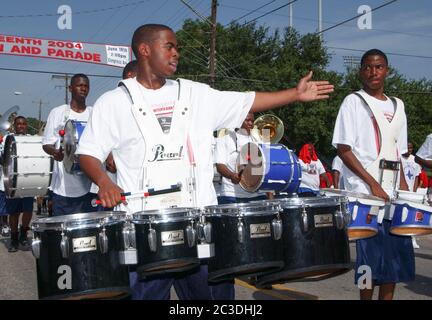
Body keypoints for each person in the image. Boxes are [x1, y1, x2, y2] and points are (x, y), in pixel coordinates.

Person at [76, 23, 333, 300]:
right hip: (142, 231)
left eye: (177, 48)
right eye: (170, 46)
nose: (177, 54)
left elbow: (248, 101)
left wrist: (294, 94)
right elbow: (88, 153)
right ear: (144, 50)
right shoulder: (113, 102)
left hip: (201, 226)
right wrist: (103, 182)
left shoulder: (196, 95)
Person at [332, 49, 413, 300]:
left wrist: (406, 193)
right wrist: (372, 184)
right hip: (366, 196)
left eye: (378, 67)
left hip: (392, 195)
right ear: (361, 71)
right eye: (367, 67)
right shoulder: (353, 101)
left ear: (387, 70)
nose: (373, 72)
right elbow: (343, 149)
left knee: (393, 263)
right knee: (369, 261)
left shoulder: (398, 106)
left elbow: (399, 154)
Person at [42, 74, 94, 216]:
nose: (83, 88)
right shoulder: (58, 112)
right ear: (70, 88)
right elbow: (46, 143)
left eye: (86, 86)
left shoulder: (93, 113)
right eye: (79, 85)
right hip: (64, 188)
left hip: (91, 185)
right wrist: (55, 152)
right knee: (64, 231)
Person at [215, 112, 272, 205]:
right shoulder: (224, 138)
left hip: (258, 195)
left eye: (252, 121)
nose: (251, 123)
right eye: (247, 120)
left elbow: (265, 170)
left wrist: (270, 198)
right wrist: (231, 175)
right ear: (238, 120)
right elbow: (220, 165)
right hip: (231, 195)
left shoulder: (259, 140)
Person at [4, 117, 34, 252]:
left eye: (23, 124)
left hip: (27, 180)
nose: (21, 126)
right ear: (14, 126)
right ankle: (14, 238)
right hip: (12, 182)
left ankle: (23, 235)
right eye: (18, 124)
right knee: (14, 212)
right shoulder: (8, 139)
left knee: (28, 211)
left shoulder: (31, 139)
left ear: (26, 125)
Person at [401, 142, 422, 249]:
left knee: (411, 216)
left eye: (411, 148)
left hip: (411, 193)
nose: (409, 149)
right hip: (400, 191)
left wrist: (414, 191)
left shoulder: (415, 160)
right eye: (407, 147)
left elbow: (417, 177)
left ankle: (412, 238)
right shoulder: (399, 157)